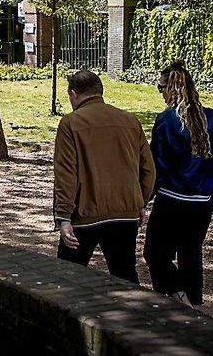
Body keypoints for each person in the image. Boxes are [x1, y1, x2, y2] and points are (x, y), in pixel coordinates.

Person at [144, 61, 213, 307]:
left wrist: (146, 196)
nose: (160, 92)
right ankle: (195, 303)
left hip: (172, 199)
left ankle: (182, 300)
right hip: (202, 202)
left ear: (171, 88)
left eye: (160, 87)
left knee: (154, 254)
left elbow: (157, 163)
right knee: (190, 254)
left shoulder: (167, 121)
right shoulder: (212, 118)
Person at [53, 70, 155, 284]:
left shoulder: (70, 123)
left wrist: (63, 217)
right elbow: (148, 169)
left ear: (73, 94)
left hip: (85, 214)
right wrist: (139, 201)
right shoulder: (130, 120)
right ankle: (138, 316)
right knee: (125, 275)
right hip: (124, 212)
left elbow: (66, 174)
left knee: (66, 278)